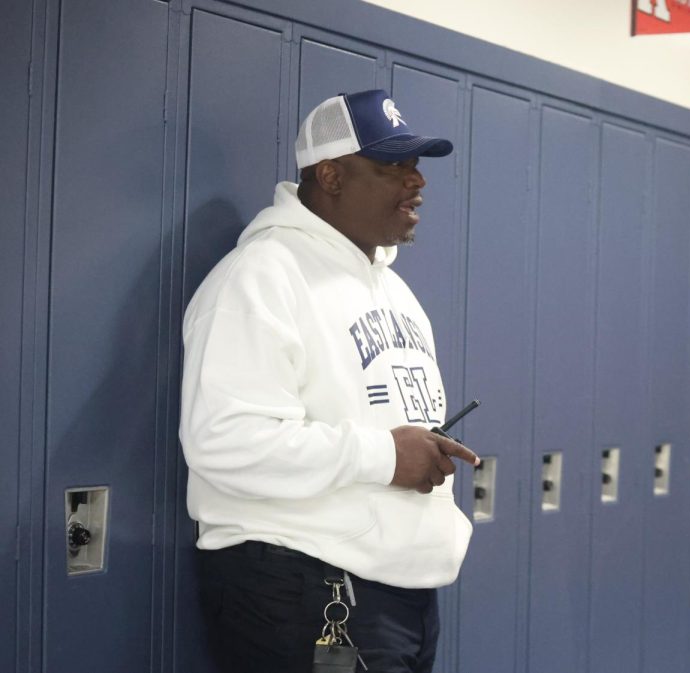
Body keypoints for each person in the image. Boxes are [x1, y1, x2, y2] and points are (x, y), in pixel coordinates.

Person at [180, 89, 480, 673]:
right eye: (393, 167)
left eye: (417, 168)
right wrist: (385, 456)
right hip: (310, 591)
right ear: (331, 175)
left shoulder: (394, 290)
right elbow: (224, 440)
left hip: (400, 592)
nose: (416, 183)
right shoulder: (260, 276)